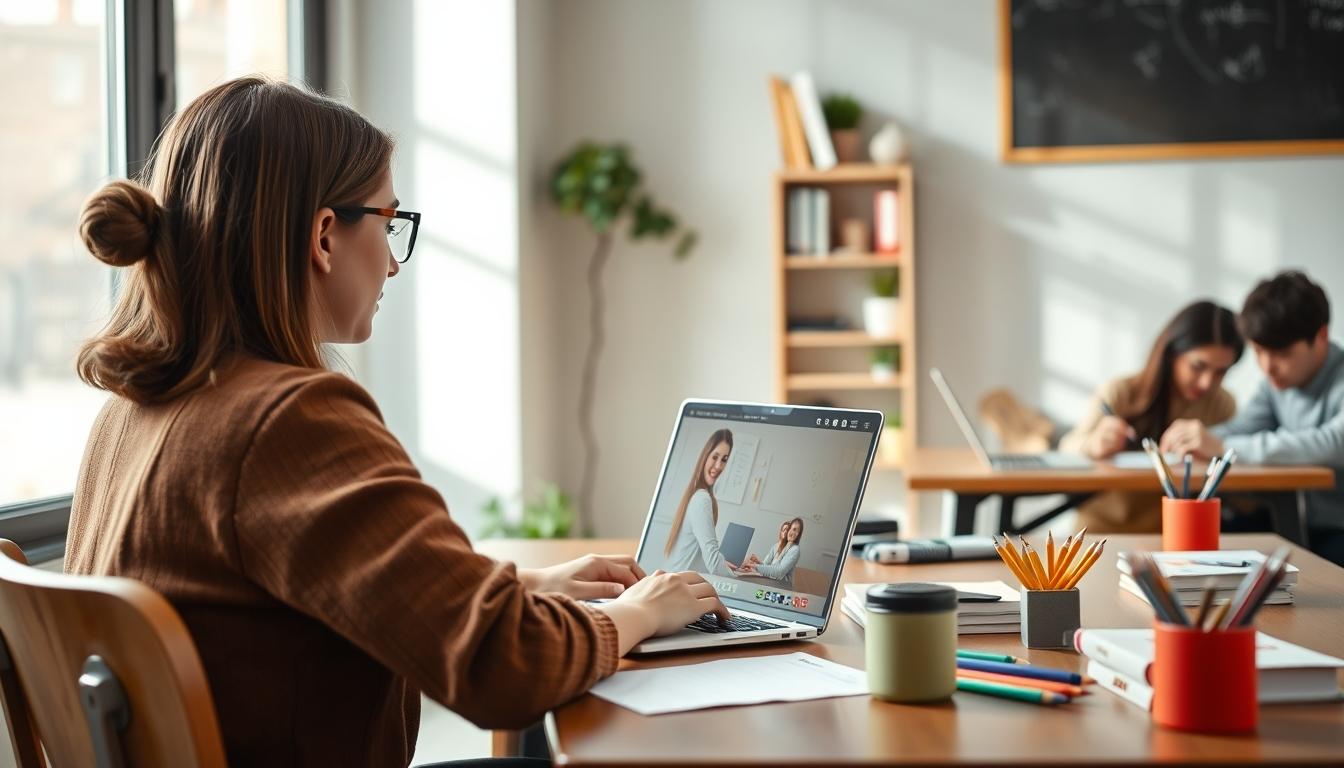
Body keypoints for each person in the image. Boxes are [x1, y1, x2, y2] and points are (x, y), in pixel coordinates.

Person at [64, 76, 728, 768]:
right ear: (325, 236)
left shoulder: (127, 418)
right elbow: (508, 670)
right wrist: (645, 610)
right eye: (389, 223)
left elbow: (279, 605)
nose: (391, 261)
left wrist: (522, 587)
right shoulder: (288, 420)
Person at [1161, 271, 1344, 565]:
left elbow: (1334, 443)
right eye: (1259, 351)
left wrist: (1220, 447)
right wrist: (1198, 439)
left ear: (1321, 336)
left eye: (1281, 353)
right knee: (1197, 553)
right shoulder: (1277, 385)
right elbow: (1242, 428)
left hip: (1335, 530)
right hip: (1292, 523)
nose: (1267, 367)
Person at [1060, 301, 1244, 531]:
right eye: (1198, 366)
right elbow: (1066, 449)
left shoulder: (1222, 404)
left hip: (1175, 536)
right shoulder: (1120, 392)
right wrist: (1092, 445)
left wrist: (1218, 446)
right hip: (1099, 533)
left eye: (1221, 371)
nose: (1207, 382)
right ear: (1171, 353)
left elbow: (1239, 492)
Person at [663, 429, 740, 574]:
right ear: (705, 456)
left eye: (724, 460)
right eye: (715, 457)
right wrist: (741, 580)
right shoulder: (702, 499)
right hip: (678, 587)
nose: (718, 466)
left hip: (673, 581)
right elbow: (713, 563)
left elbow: (705, 558)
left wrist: (725, 564)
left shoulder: (695, 494)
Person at [737, 517, 804, 587]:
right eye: (790, 529)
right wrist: (754, 565)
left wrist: (754, 566)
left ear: (798, 534)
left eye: (795, 530)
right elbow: (768, 566)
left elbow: (779, 572)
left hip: (780, 586)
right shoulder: (780, 546)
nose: (789, 532)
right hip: (771, 581)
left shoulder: (795, 549)